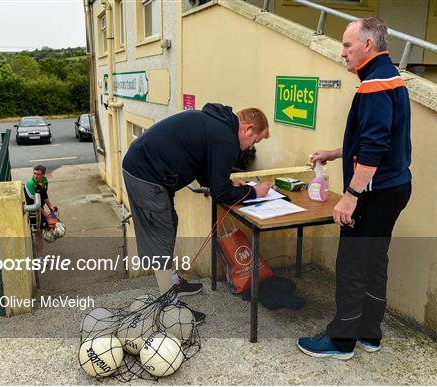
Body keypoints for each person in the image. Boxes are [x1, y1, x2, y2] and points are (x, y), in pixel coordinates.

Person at [297, 17, 412, 359]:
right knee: (375, 260)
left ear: (368, 46)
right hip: (395, 188)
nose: (343, 52)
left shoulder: (375, 85)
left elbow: (375, 146)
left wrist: (350, 197)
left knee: (351, 263)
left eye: (348, 45)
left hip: (373, 194)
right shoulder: (391, 78)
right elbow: (378, 138)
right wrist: (336, 153)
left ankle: (341, 341)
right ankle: (369, 334)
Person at [123, 103, 272, 324]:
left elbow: (205, 169)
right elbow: (220, 193)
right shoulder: (226, 138)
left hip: (146, 168)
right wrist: (253, 192)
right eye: (254, 141)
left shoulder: (218, 125)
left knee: (169, 223)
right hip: (145, 174)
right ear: (248, 129)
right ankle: (170, 309)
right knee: (160, 236)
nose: (250, 147)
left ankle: (173, 282)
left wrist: (232, 184)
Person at [24, 164, 55, 259]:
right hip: (32, 210)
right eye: (34, 173)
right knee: (37, 233)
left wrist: (50, 207)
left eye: (38, 174)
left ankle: (40, 257)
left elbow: (44, 195)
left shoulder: (44, 181)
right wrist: (46, 214)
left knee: (40, 232)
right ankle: (38, 258)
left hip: (40, 207)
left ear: (43, 175)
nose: (35, 176)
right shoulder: (30, 183)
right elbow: (35, 203)